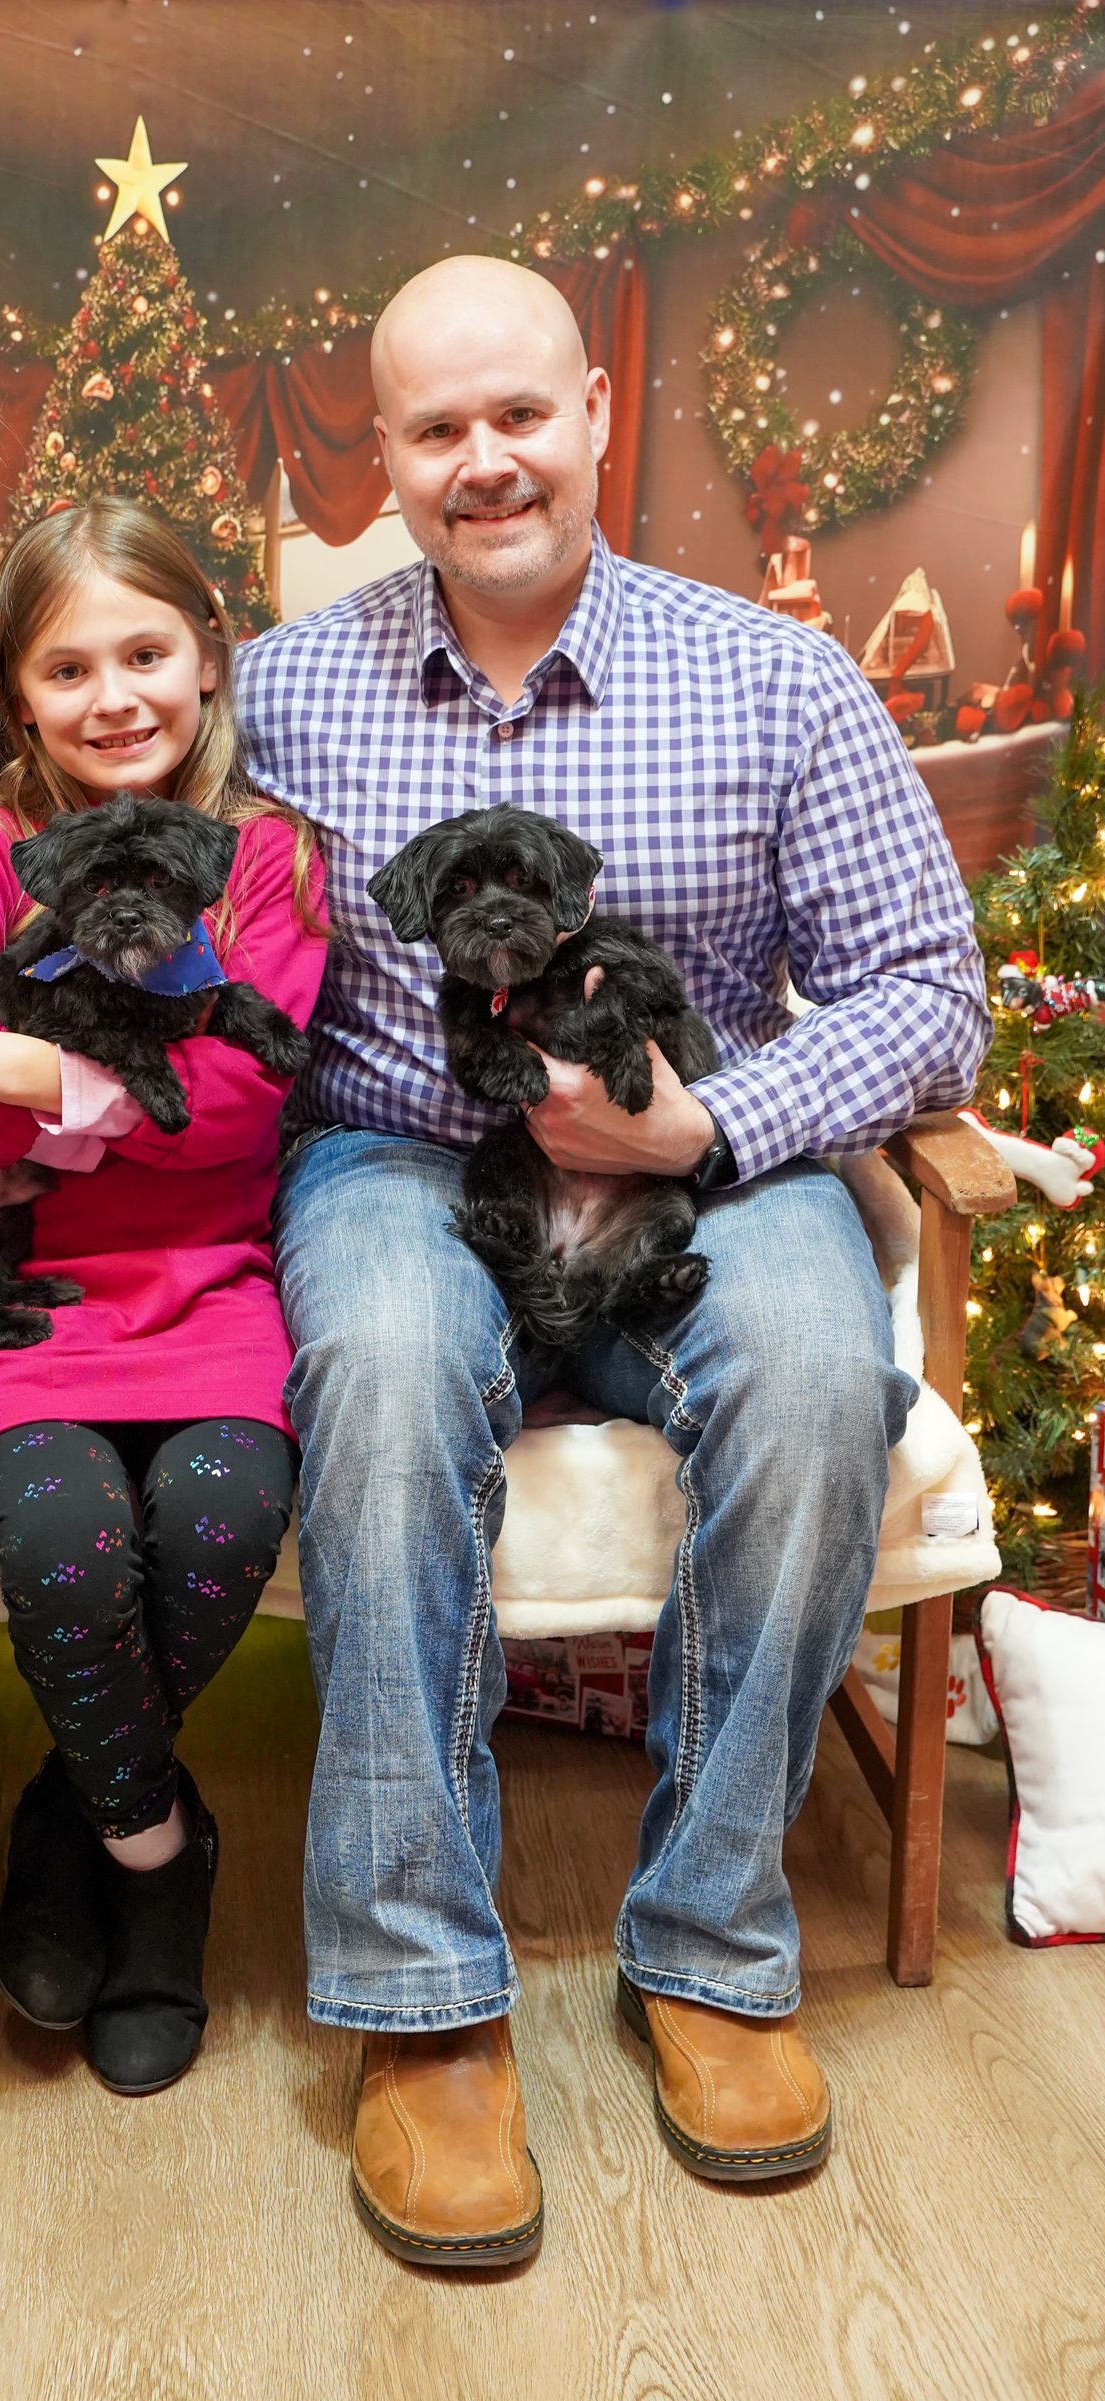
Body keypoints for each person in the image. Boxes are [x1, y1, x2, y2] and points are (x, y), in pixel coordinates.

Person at [234, 255, 989, 2269]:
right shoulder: (279, 688)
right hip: (400, 1156)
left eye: (516, 416)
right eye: (432, 430)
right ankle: (422, 1995)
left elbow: (934, 994)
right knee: (386, 1376)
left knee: (827, 1378)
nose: (483, 462)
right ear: (381, 458)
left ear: (593, 414)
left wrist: (706, 1127)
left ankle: (714, 1940)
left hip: (705, 1153)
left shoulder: (774, 677)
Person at [0, 498, 326, 2092]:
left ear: (210, 656)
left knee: (214, 1511)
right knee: (66, 1537)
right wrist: (100, 1087)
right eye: (69, 666)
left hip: (213, 1295)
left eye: (147, 651)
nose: (115, 694)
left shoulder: (268, 858)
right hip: (26, 1301)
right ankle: (159, 1852)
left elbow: (249, 1101)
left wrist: (21, 1067)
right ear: (16, 692)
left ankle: (73, 1813)